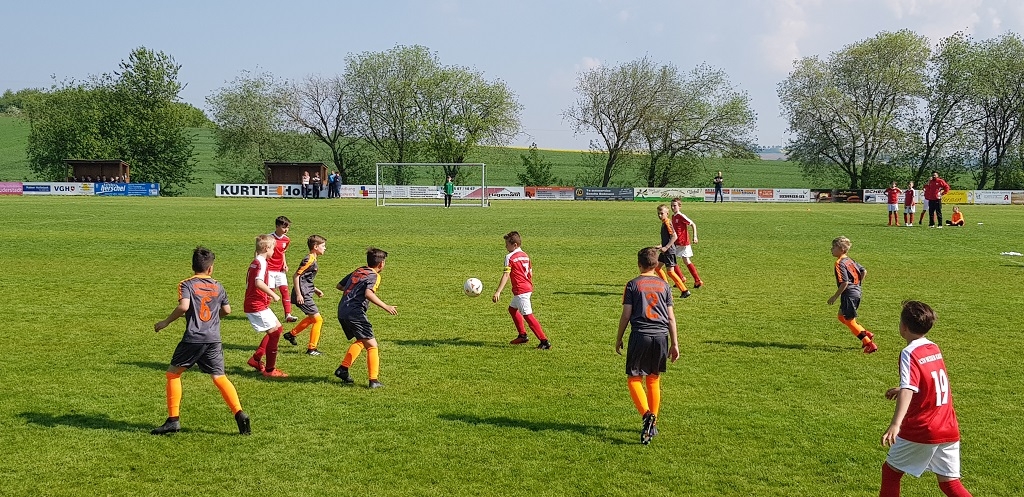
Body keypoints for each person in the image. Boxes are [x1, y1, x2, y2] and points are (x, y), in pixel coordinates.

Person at [151, 247, 250, 435]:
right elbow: (227, 310)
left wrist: (165, 322)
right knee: (219, 377)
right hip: (213, 339)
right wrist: (213, 318)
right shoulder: (218, 286)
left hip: (193, 338)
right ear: (210, 268)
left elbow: (184, 306)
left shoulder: (186, 284)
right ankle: (239, 413)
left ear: (192, 266)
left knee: (173, 374)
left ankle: (173, 420)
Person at [879, 301, 972, 497]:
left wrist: (896, 424)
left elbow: (909, 388)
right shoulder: (933, 347)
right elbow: (932, 380)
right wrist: (903, 388)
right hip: (948, 425)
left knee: (891, 473)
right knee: (949, 484)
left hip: (923, 427)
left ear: (904, 327)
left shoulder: (909, 353)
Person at [616, 247, 680, 445]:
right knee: (653, 379)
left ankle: (646, 415)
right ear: (655, 264)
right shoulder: (665, 286)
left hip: (640, 335)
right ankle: (654, 423)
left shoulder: (632, 285)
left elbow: (626, 315)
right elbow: (671, 318)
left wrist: (619, 338)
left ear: (639, 264)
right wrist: (675, 343)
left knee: (634, 378)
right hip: (661, 336)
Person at [333, 248, 398, 388]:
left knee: (362, 340)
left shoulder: (359, 270)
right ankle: (373, 381)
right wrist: (386, 306)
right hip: (355, 313)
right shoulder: (375, 276)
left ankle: (343, 369)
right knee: (372, 345)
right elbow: (369, 293)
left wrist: (354, 291)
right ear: (381, 263)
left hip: (343, 310)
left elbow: (340, 286)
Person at [492, 231, 552, 349]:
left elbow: (506, 275)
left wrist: (498, 291)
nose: (505, 246)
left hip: (521, 290)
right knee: (512, 309)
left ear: (514, 245)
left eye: (507, 244)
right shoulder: (525, 255)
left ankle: (544, 342)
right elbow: (530, 272)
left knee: (528, 315)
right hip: (527, 287)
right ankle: (522, 335)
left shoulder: (509, 257)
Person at [244, 234, 288, 378]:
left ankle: (256, 359)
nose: (274, 251)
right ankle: (270, 370)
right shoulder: (261, 263)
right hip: (256, 305)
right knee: (274, 333)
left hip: (259, 303)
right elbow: (258, 282)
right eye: (273, 248)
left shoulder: (256, 261)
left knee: (278, 328)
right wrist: (273, 294)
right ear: (266, 248)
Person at [827, 236, 877, 354]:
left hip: (849, 294)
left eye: (834, 247)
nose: (831, 249)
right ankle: (865, 333)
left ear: (841, 249)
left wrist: (835, 296)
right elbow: (863, 271)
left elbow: (844, 282)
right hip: (856, 292)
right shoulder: (849, 260)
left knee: (849, 321)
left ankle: (869, 343)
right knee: (841, 316)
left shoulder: (839, 263)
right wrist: (857, 284)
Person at [282, 235, 327, 355]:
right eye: (323, 246)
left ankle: (291, 334)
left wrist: (315, 290)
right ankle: (312, 349)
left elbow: (305, 279)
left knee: (313, 318)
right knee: (318, 320)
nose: (325, 248)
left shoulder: (313, 259)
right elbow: (296, 276)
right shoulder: (309, 260)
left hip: (306, 292)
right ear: (315, 247)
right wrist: (299, 294)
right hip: (303, 295)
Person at [655, 205, 691, 298]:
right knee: (657, 268)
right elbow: (667, 237)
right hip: (665, 250)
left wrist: (666, 247)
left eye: (661, 213)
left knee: (670, 272)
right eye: (658, 214)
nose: (659, 215)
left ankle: (684, 290)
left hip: (669, 251)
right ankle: (666, 288)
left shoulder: (667, 223)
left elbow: (674, 236)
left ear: (667, 213)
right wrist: (661, 245)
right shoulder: (664, 222)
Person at [267, 216, 298, 323]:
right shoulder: (269, 238)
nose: (286, 230)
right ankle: (264, 312)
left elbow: (283, 252)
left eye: (288, 227)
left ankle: (288, 315)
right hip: (269, 270)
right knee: (270, 292)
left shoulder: (286, 239)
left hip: (280, 270)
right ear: (277, 226)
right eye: (284, 227)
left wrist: (285, 263)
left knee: (285, 291)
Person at [670, 198, 704, 289]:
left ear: (680, 206)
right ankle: (697, 280)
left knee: (671, 260)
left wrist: (695, 236)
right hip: (677, 242)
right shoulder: (673, 216)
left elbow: (693, 224)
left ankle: (681, 278)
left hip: (682, 242)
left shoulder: (681, 216)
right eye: (671, 206)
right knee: (685, 260)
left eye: (675, 205)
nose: (673, 207)